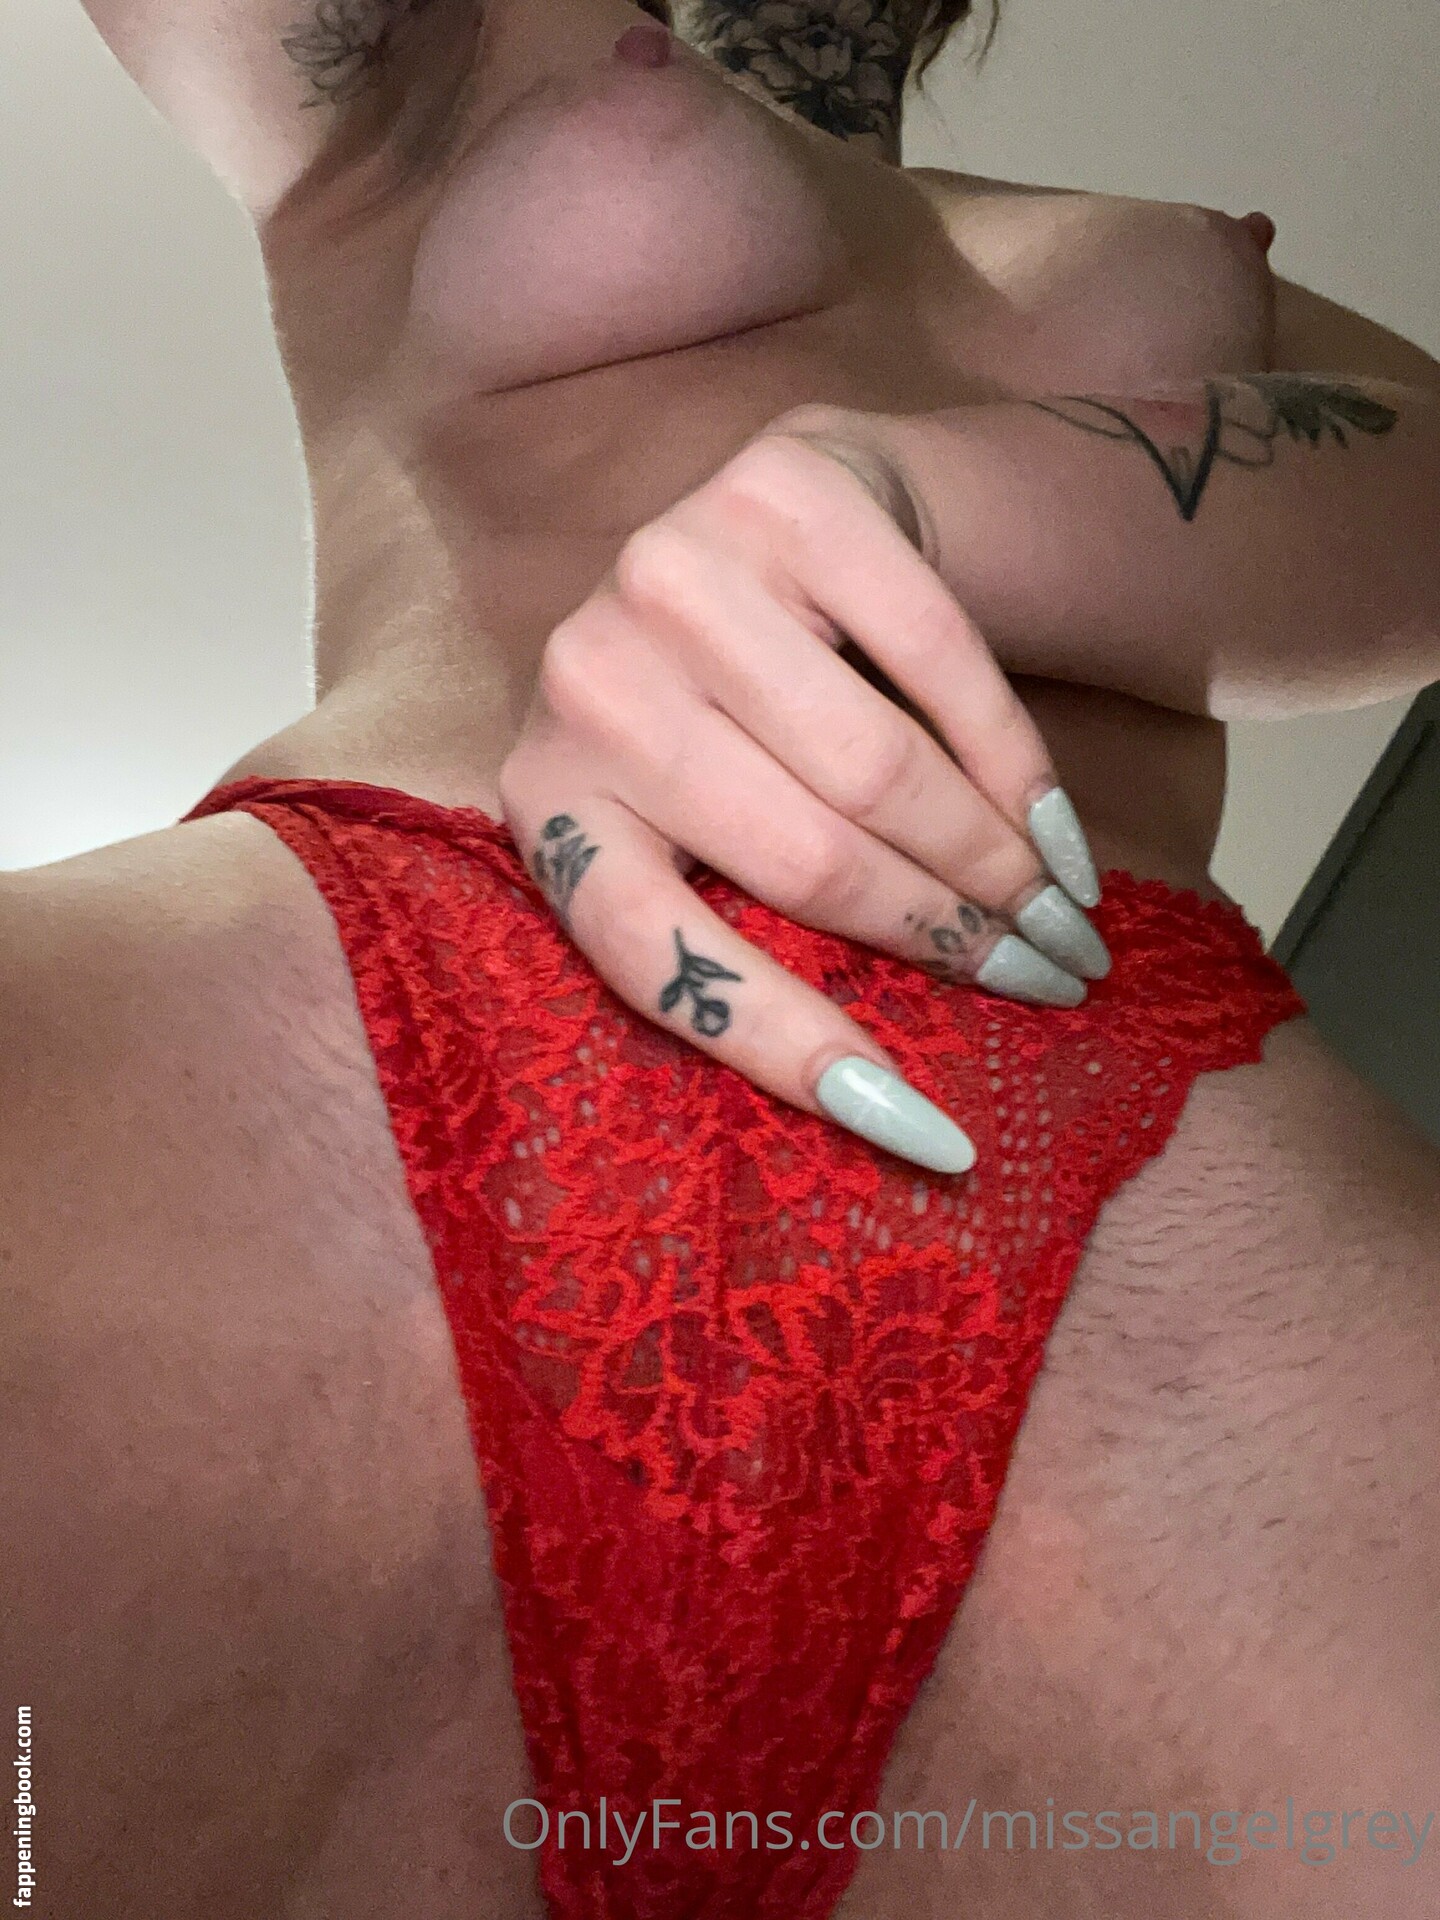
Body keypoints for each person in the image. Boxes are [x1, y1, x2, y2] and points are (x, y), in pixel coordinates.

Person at [2, 1, 1438, 1915]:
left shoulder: (1090, 231)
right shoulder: (432, 56)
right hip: (367, 1012)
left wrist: (921, 501)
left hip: (1134, 1159)